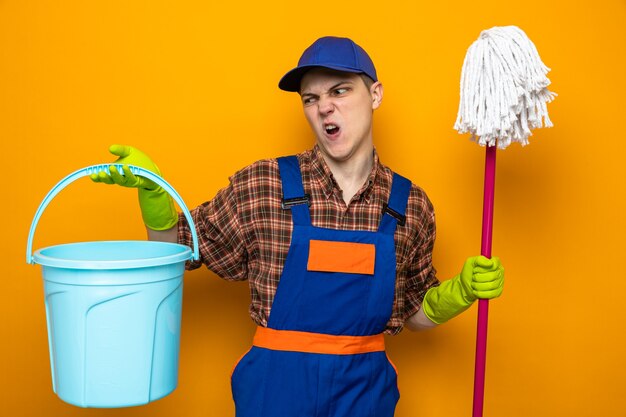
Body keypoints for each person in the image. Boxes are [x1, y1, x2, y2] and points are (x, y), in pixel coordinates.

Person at [92, 36, 504, 417]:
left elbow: (413, 312)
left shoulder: (410, 205)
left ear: (374, 95)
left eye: (340, 90)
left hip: (365, 397)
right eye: (311, 98)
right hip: (275, 396)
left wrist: (460, 293)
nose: (325, 106)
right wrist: (154, 196)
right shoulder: (263, 186)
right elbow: (173, 253)